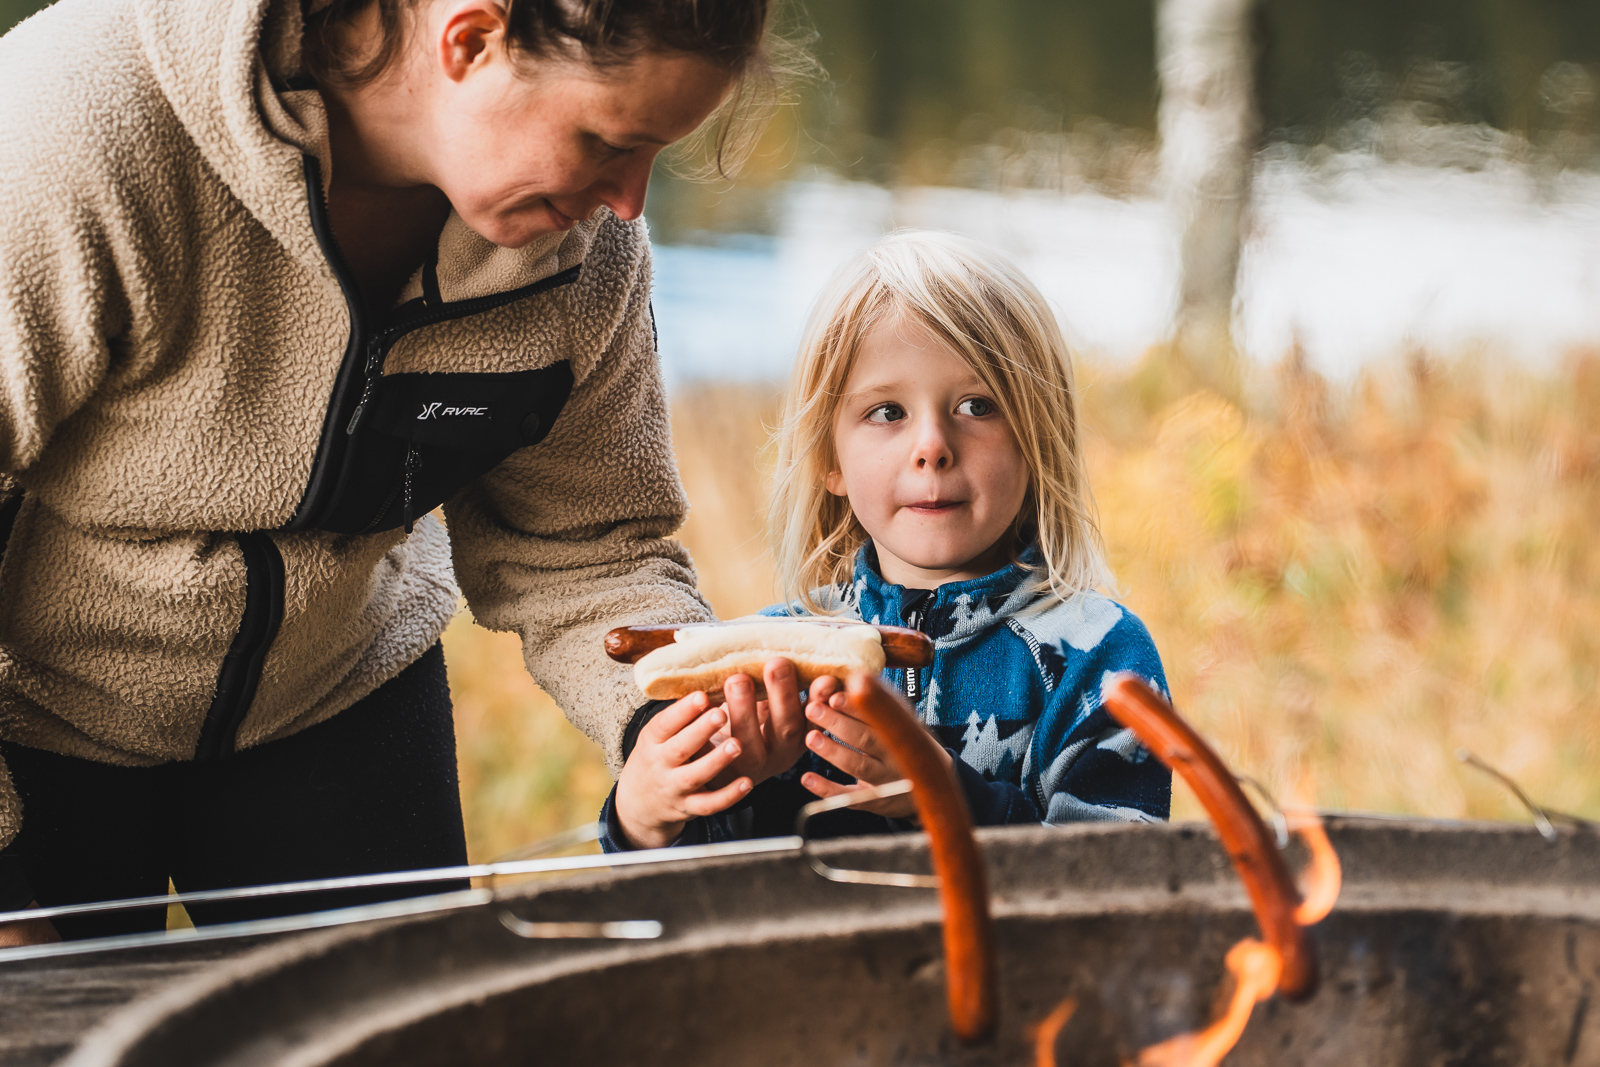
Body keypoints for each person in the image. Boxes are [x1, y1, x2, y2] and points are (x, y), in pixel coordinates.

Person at [0, 0, 803, 945]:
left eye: (655, 153)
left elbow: (586, 545)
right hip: (34, 720)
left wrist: (671, 718)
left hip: (341, 697)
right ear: (469, 41)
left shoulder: (587, 256)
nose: (628, 201)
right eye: (605, 141)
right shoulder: (73, 129)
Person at [602, 231, 1172, 852]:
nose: (932, 445)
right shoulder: (777, 657)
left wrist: (941, 791)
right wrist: (647, 817)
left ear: (1038, 439)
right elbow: (692, 904)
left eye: (978, 405)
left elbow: (1121, 886)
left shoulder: (1097, 658)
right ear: (831, 459)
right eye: (887, 413)